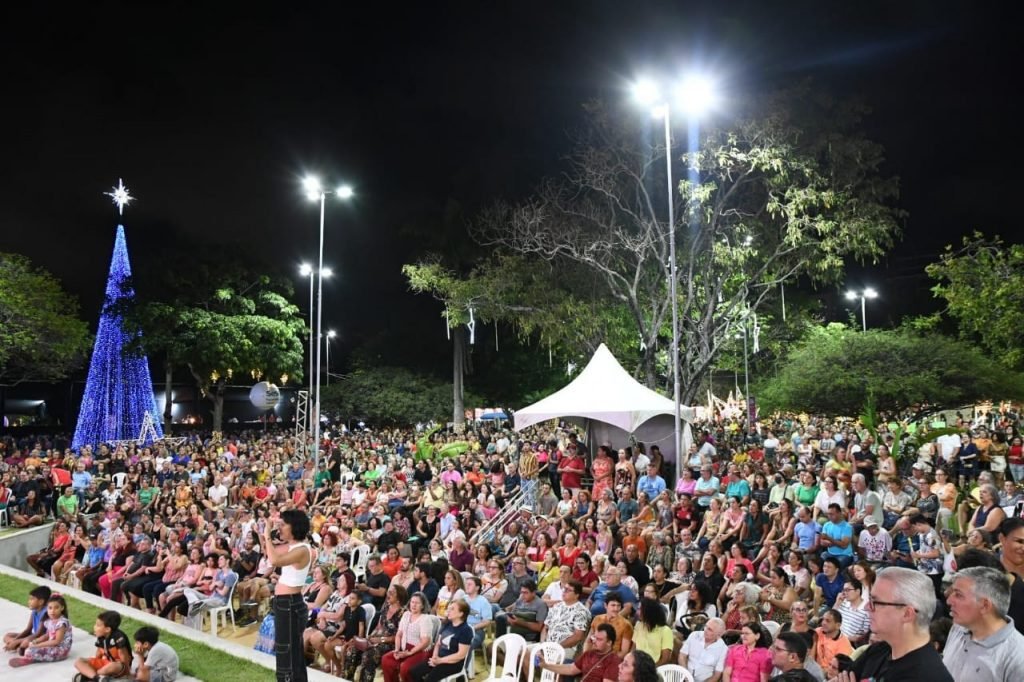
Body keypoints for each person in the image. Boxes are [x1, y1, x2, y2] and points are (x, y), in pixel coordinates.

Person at [833, 566, 952, 682]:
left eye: (875, 602)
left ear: (907, 614)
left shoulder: (929, 676)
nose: (867, 607)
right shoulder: (880, 650)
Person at [942, 566, 1024, 682]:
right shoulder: (958, 629)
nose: (949, 601)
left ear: (985, 605)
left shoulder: (1018, 657)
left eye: (958, 595)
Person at [259, 508, 313, 682]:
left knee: (286, 655)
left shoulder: (303, 549)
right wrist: (268, 531)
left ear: (294, 526)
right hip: (286, 604)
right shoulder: (293, 546)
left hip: (290, 605)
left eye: (283, 525)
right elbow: (270, 552)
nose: (279, 528)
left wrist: (267, 534)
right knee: (292, 654)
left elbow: (275, 560)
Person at [407, 599, 472, 682]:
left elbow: (461, 655)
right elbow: (437, 644)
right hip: (439, 658)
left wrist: (440, 661)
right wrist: (435, 657)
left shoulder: (465, 630)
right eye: (448, 608)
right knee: (414, 672)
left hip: (453, 662)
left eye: (452, 609)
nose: (448, 611)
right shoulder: (447, 624)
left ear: (461, 613)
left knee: (429, 679)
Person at [539, 622, 620, 682]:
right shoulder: (589, 653)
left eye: (599, 639)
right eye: (595, 637)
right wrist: (546, 665)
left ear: (609, 642)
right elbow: (571, 669)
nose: (594, 641)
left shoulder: (613, 660)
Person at [8, 595, 71, 667]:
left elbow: (56, 641)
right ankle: (31, 655)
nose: (52, 611)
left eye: (56, 608)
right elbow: (46, 635)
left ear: (62, 608)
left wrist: (37, 645)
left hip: (60, 651)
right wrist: (35, 641)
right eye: (50, 608)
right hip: (52, 646)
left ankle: (28, 659)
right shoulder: (50, 621)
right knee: (30, 646)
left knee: (30, 651)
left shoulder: (61, 623)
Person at [73, 609, 133, 682]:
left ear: (107, 629)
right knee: (78, 661)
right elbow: (98, 653)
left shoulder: (118, 637)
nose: (94, 627)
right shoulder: (101, 636)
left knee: (112, 666)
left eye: (98, 625)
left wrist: (127, 673)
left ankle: (89, 676)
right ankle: (96, 678)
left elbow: (124, 657)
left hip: (119, 666)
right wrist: (93, 665)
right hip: (105, 663)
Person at [679, 616, 728, 682]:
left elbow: (717, 675)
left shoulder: (723, 649)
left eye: (710, 629)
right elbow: (682, 656)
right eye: (706, 626)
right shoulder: (694, 635)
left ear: (718, 635)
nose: (705, 630)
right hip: (684, 677)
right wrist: (685, 674)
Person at [3, 585, 50, 653]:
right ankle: (15, 645)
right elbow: (28, 630)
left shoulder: (45, 613)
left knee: (22, 646)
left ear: (41, 602)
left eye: (32, 599)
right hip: (32, 636)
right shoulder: (34, 611)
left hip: (41, 639)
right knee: (8, 635)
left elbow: (38, 634)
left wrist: (17, 641)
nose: (29, 601)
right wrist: (15, 640)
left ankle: (19, 646)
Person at [632, 597, 673, 665]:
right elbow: (633, 648)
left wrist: (651, 670)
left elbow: (665, 659)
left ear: (649, 612)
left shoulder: (666, 631)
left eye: (640, 609)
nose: (637, 612)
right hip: (637, 666)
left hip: (655, 668)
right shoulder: (638, 625)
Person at [812, 609, 851, 673]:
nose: (823, 623)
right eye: (823, 619)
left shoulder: (844, 644)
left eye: (828, 621)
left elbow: (837, 670)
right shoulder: (818, 631)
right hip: (813, 668)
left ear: (838, 625)